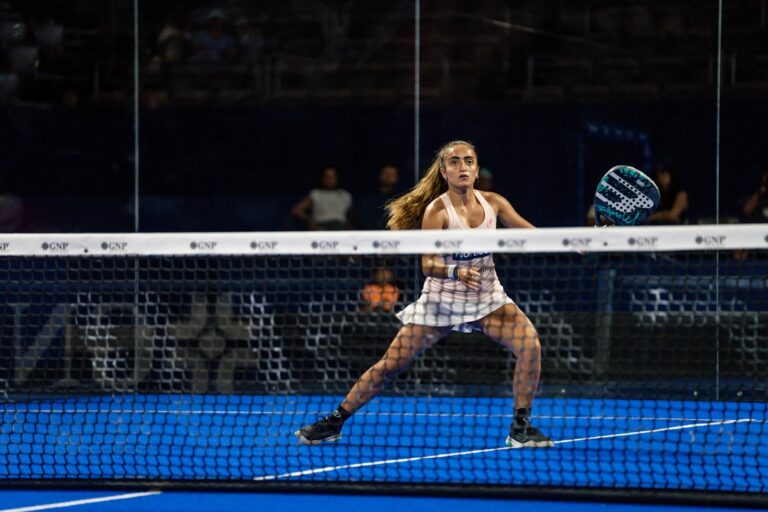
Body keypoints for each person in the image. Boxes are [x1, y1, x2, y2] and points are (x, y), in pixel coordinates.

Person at [295, 140, 554, 448]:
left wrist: (576, 243)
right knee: (390, 365)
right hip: (440, 302)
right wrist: (456, 271)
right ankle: (334, 421)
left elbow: (529, 233)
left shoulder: (494, 203)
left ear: (476, 169)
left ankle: (520, 428)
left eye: (468, 161)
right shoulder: (437, 211)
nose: (462, 167)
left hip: (487, 300)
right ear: (444, 172)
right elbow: (428, 264)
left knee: (530, 345)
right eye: (454, 162)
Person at [291, 166, 353, 230]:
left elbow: (350, 216)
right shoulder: (315, 194)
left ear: (337, 178)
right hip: (321, 227)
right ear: (322, 178)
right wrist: (310, 220)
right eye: (327, 176)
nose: (329, 179)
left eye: (332, 176)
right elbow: (297, 210)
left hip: (340, 228)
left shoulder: (345, 195)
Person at [360, 164, 401, 230]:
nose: (388, 177)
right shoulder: (369, 198)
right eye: (386, 173)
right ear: (379, 175)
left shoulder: (401, 198)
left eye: (392, 174)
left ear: (397, 177)